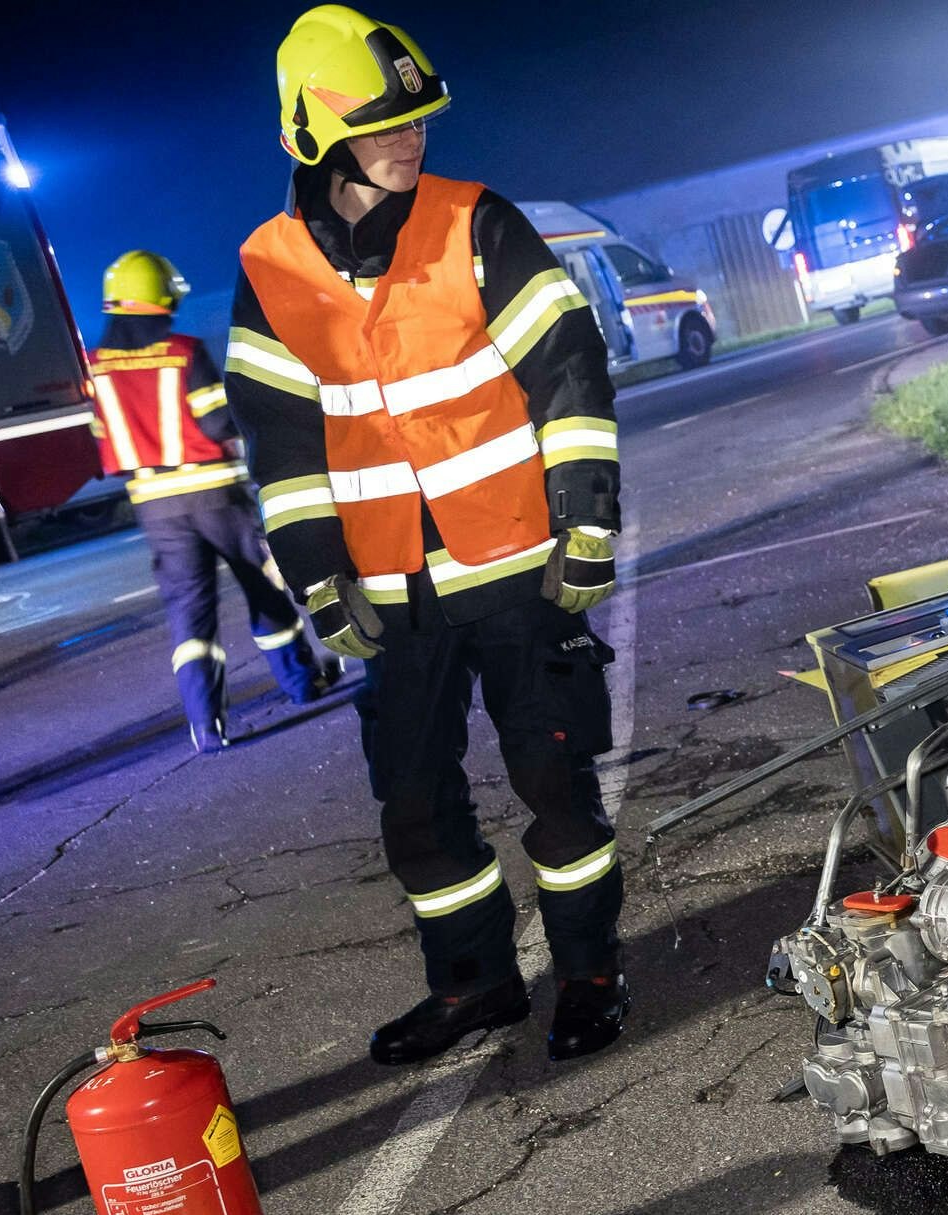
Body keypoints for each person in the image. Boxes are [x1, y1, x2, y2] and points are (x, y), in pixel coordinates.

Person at [226, 4, 629, 1066]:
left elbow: (568, 373)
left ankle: (590, 974)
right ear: (314, 134)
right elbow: (281, 442)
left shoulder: (476, 221)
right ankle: (475, 986)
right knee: (413, 803)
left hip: (515, 567)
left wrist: (586, 521)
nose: (413, 140)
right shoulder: (269, 268)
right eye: (386, 125)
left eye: (421, 121)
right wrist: (317, 579)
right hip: (390, 587)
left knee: (555, 782)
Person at [89, 250, 330, 751]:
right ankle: (302, 684)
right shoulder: (182, 350)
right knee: (261, 590)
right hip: (215, 495)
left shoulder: (98, 366)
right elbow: (217, 422)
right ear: (163, 296)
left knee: (189, 616)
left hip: (154, 508)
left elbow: (102, 437)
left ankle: (206, 726)